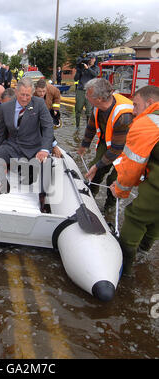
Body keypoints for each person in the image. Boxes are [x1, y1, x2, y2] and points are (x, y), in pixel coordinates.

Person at [110, 85, 159, 275]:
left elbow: (133, 166)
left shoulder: (146, 123)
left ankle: (126, 272)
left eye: (136, 105)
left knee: (135, 218)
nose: (133, 110)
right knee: (155, 220)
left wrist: (120, 190)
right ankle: (144, 256)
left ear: (150, 103)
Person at [0, 77, 54, 196]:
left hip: (34, 147)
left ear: (32, 94)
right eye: (22, 94)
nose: (24, 98)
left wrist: (44, 149)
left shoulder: (39, 104)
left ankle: (43, 197)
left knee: (47, 162)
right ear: (16, 92)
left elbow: (48, 127)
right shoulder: (5, 107)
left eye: (28, 95)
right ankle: (2, 185)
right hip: (13, 146)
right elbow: (2, 133)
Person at [77, 78, 134, 211]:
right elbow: (91, 126)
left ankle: (109, 207)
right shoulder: (97, 107)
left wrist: (98, 166)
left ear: (100, 98)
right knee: (94, 171)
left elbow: (116, 150)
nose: (85, 97)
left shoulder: (123, 116)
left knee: (114, 180)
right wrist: (84, 145)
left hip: (126, 148)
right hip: (108, 142)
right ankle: (89, 198)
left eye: (88, 95)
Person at [34, 79, 62, 157]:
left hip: (48, 108)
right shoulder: (32, 93)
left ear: (46, 88)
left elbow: (57, 96)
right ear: (35, 89)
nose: (41, 94)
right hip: (37, 111)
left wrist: (55, 109)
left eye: (43, 91)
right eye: (39, 91)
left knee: (48, 125)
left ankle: (51, 143)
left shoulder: (52, 89)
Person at [74, 53, 99, 128]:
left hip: (90, 91)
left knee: (89, 111)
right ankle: (77, 126)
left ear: (94, 59)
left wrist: (88, 68)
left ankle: (88, 127)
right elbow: (76, 79)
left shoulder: (96, 68)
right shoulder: (82, 67)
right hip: (81, 90)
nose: (90, 60)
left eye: (92, 58)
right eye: (89, 58)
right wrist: (79, 70)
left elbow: (95, 74)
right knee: (78, 109)